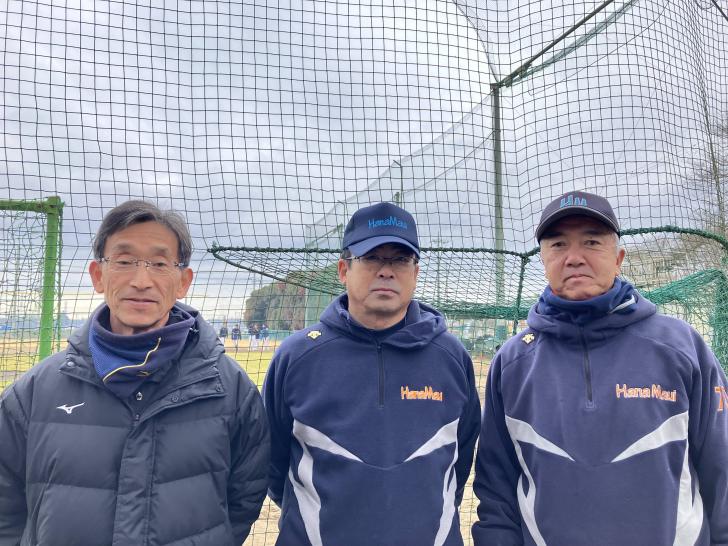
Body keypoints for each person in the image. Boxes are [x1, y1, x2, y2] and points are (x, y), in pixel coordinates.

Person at [0, 200, 270, 546]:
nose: (141, 281)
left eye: (159, 264)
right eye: (124, 261)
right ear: (98, 275)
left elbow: (245, 495)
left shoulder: (230, 389)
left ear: (183, 281)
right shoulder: (35, 391)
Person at [472, 191, 728, 545]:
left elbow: (721, 467)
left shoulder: (682, 347)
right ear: (543, 260)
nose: (574, 258)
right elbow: (496, 488)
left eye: (591, 242)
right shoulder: (513, 361)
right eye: (558, 244)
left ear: (618, 258)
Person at [263, 202, 481, 546]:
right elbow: (273, 466)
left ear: (415, 272)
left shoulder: (451, 357)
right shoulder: (296, 357)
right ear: (343, 270)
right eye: (371, 257)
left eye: (400, 259)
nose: (386, 271)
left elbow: (460, 459)